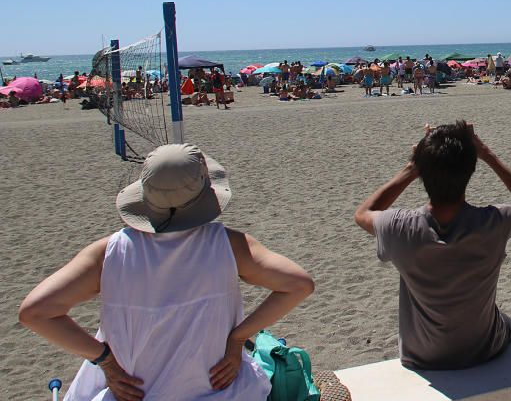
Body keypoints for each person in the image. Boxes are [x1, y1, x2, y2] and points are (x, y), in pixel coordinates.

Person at [18, 144, 314, 401]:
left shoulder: (109, 252)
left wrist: (103, 359)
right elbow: (299, 284)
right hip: (221, 391)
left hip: (131, 393)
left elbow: (35, 312)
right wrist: (238, 339)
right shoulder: (230, 246)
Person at [354, 122, 511, 369]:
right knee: (506, 324)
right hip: (483, 349)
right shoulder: (492, 222)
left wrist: (413, 167)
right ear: (471, 169)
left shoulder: (399, 226)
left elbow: (364, 213)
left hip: (422, 355)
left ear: (423, 173)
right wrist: (488, 155)